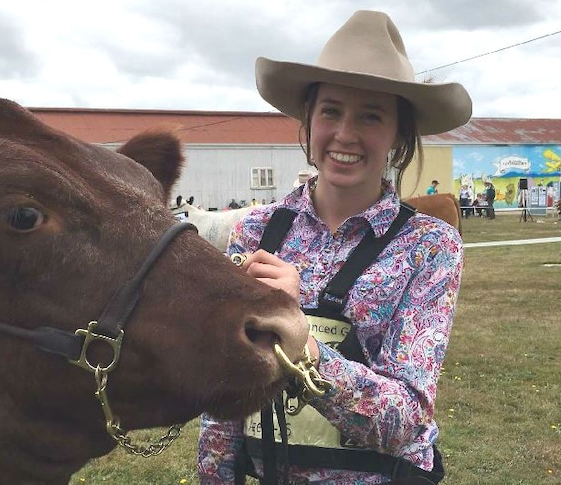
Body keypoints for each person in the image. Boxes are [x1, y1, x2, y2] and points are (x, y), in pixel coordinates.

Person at [198, 10, 471, 484]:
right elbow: (225, 393)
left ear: (398, 134)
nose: (345, 134)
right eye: (331, 111)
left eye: (370, 115)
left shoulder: (429, 247)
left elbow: (405, 420)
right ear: (309, 119)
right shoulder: (255, 233)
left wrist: (300, 338)